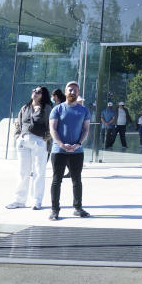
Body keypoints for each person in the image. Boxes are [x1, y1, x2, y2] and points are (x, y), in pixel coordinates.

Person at [48, 81, 91, 220]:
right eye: (70, 89)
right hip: (58, 150)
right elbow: (53, 129)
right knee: (56, 180)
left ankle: (78, 208)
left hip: (77, 151)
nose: (72, 92)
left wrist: (78, 144)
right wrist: (61, 144)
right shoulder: (57, 109)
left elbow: (86, 129)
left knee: (77, 180)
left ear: (78, 93)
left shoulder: (84, 110)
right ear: (65, 92)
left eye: (75, 90)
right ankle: (55, 210)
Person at [6, 86, 53, 210]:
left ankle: (36, 201)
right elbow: (18, 123)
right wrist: (17, 136)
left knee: (38, 172)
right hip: (23, 141)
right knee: (23, 172)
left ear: (43, 95)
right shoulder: (25, 107)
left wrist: (46, 138)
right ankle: (19, 200)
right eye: (34, 91)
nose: (35, 93)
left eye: (38, 92)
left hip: (38, 141)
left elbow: (52, 125)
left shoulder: (47, 108)